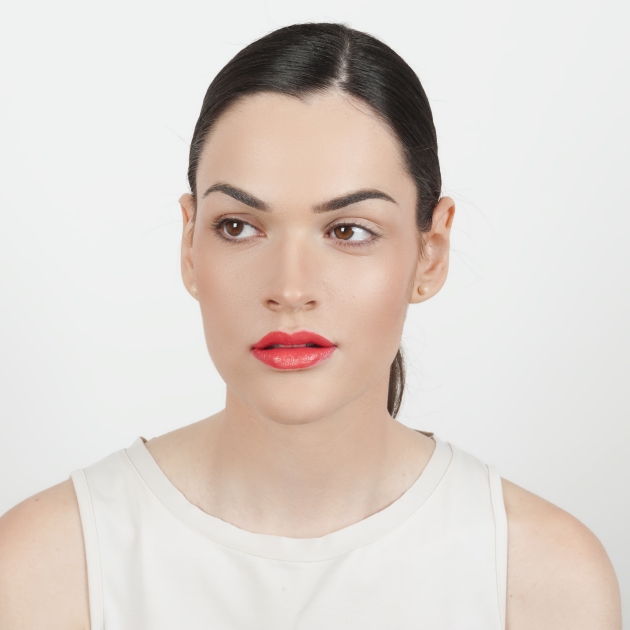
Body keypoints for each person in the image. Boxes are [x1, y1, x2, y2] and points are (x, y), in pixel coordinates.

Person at [0, 22, 621, 630]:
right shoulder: (50, 563)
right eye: (239, 226)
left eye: (348, 231)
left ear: (430, 254)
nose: (290, 289)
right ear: (190, 246)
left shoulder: (542, 576)